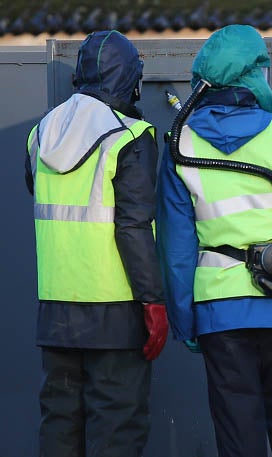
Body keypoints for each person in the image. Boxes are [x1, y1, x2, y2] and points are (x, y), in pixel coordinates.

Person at [156, 24, 272, 457]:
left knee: (240, 439)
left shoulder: (181, 144)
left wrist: (186, 320)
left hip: (222, 313)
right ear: (255, 74)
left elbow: (175, 246)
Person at [25, 30, 168, 457]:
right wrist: (153, 301)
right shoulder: (130, 136)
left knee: (60, 427)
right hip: (116, 314)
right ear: (128, 79)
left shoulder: (40, 134)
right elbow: (133, 226)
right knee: (117, 430)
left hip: (56, 313)